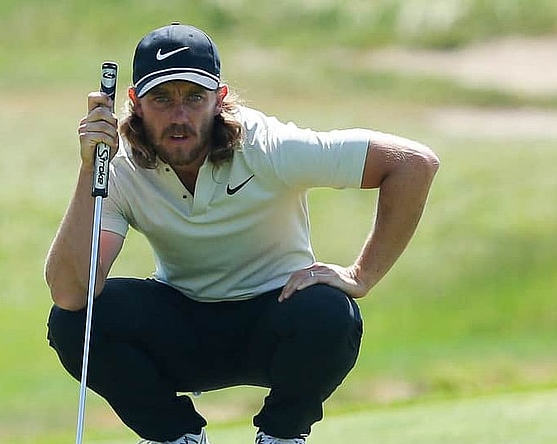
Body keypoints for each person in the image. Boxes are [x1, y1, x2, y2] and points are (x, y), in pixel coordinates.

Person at [45, 22, 439, 444]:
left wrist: (361, 276)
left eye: (194, 97)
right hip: (184, 326)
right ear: (135, 104)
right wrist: (90, 168)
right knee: (74, 323)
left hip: (277, 320)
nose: (179, 117)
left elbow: (413, 164)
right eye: (162, 99)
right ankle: (174, 436)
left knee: (330, 314)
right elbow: (71, 291)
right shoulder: (119, 167)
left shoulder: (267, 146)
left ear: (219, 99)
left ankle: (281, 434)